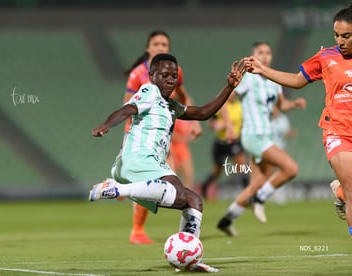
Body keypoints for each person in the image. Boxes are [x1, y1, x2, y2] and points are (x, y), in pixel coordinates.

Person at [90, 53, 246, 273]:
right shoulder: (149, 91)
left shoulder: (170, 106)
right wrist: (107, 124)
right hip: (138, 158)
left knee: (193, 200)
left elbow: (202, 113)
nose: (171, 79)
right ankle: (115, 189)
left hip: (151, 163)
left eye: (174, 75)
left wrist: (229, 87)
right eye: (165, 75)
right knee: (177, 190)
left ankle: (188, 258)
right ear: (152, 76)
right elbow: (128, 109)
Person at [244, 3, 352, 269]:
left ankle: (340, 191)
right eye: (337, 35)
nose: (340, 41)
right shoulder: (326, 57)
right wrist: (264, 71)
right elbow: (298, 80)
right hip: (339, 132)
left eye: (347, 36)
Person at [216, 41, 306, 236]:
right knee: (291, 168)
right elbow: (224, 101)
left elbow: (280, 107)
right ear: (252, 56)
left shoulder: (274, 80)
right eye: (260, 52)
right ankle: (260, 199)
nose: (265, 56)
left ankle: (227, 219)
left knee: (257, 183)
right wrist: (230, 128)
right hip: (253, 135)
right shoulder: (249, 78)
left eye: (268, 52)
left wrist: (295, 104)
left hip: (265, 136)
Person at [123, 30, 201, 244]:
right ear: (148, 48)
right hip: (143, 137)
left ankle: (124, 191)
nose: (160, 47)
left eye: (164, 44)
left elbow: (183, 97)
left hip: (165, 135)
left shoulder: (176, 71)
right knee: (159, 179)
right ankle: (137, 229)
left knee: (165, 181)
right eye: (156, 43)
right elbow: (127, 104)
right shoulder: (138, 74)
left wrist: (193, 122)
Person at [200, 93, 249, 200]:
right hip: (221, 143)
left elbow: (243, 123)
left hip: (234, 141)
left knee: (241, 166)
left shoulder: (239, 106)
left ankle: (246, 195)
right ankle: (205, 187)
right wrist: (217, 125)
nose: (231, 94)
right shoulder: (221, 105)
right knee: (217, 171)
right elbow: (211, 123)